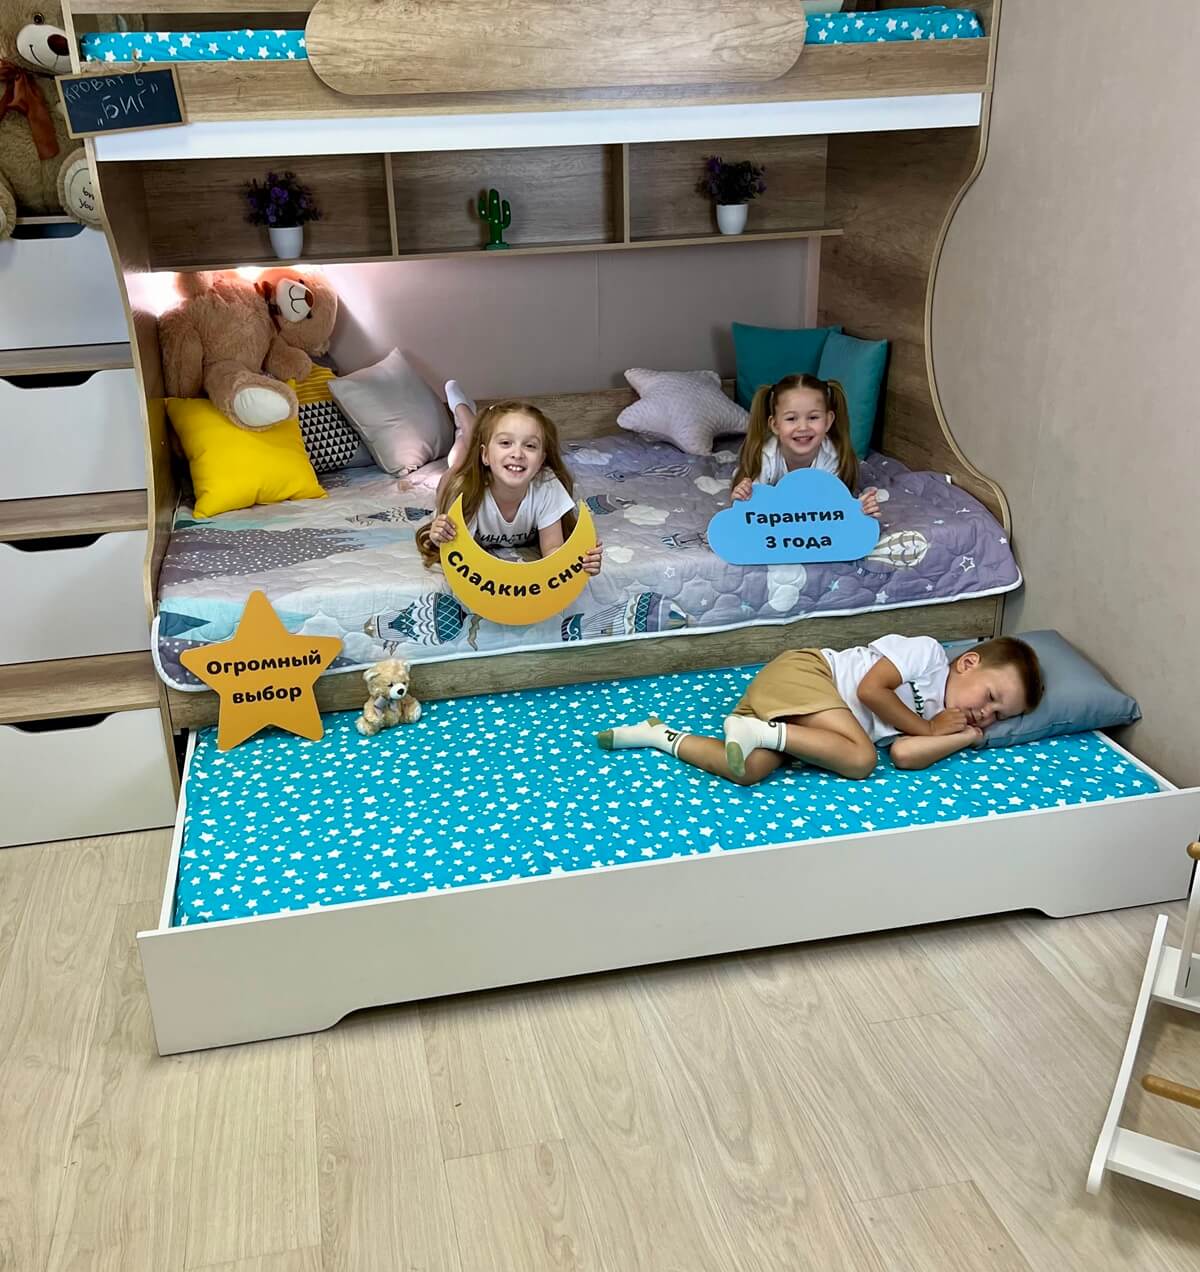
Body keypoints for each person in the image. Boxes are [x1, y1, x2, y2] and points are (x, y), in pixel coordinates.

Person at [596, 634, 1043, 784]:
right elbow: (870, 690)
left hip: (804, 721)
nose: (987, 714)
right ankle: (761, 732)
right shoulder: (927, 656)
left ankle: (658, 734)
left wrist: (964, 737)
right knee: (863, 760)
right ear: (968, 663)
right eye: (990, 697)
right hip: (805, 676)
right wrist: (928, 728)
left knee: (746, 770)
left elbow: (905, 755)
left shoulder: (943, 723)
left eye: (999, 716)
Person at [417, 391, 603, 575]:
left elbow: (553, 550)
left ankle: (468, 425)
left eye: (530, 446)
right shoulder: (466, 491)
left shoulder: (547, 485)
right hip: (458, 479)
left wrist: (577, 565)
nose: (518, 454)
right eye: (506, 443)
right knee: (461, 460)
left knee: (470, 446)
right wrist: (439, 538)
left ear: (541, 461)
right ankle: (464, 415)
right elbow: (458, 555)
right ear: (485, 455)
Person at [730, 373, 883, 517]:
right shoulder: (766, 457)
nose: (803, 427)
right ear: (775, 425)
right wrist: (743, 495)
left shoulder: (832, 457)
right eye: (791, 419)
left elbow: (832, 507)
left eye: (813, 417)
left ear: (828, 421)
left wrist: (859, 509)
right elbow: (754, 508)